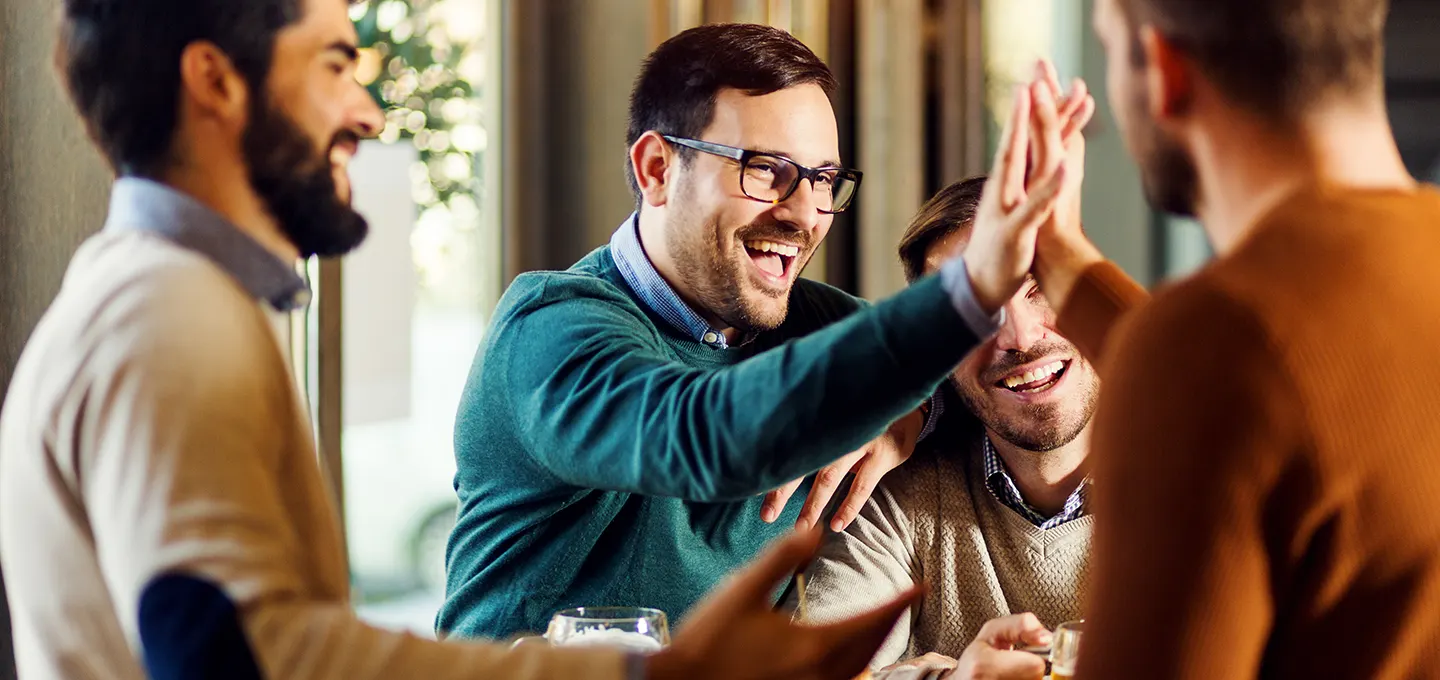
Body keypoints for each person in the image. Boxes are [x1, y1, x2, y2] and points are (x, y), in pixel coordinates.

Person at [0, 1, 931, 678]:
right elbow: (230, 653)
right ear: (213, 80)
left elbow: (941, 371)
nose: (367, 112)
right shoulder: (172, 316)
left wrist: (893, 415)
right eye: (334, 64)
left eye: (823, 180)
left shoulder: (161, 297)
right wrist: (645, 674)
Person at [438, 22, 1072, 641]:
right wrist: (968, 289)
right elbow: (701, 433)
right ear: (657, 168)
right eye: (766, 169)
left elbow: (992, 383)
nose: (804, 214)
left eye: (824, 180)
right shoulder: (548, 331)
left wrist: (915, 408)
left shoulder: (822, 324)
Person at [1020, 0, 1440, 675]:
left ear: (1163, 72)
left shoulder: (1211, 346)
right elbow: (1294, 404)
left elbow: (1236, 373)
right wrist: (1060, 252)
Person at [795, 165, 1103, 674]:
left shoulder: (1200, 472)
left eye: (1038, 286)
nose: (1020, 337)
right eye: (975, 312)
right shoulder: (895, 498)